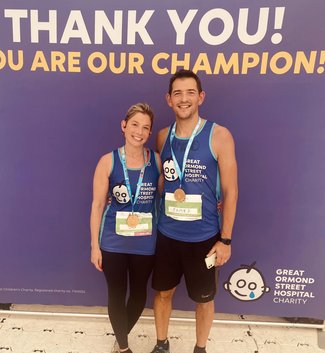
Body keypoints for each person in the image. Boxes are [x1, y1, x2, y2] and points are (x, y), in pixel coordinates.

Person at [150, 70, 238, 353]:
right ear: (168, 99)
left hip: (204, 238)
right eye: (177, 93)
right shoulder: (163, 137)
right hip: (168, 234)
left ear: (200, 97)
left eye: (190, 93)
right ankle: (162, 344)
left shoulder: (220, 135)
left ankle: (200, 348)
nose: (184, 99)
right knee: (163, 292)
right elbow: (164, 181)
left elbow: (231, 191)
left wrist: (225, 239)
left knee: (204, 299)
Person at [90, 103, 162, 353]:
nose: (139, 132)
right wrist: (94, 246)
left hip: (145, 241)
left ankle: (120, 336)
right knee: (117, 294)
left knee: (139, 296)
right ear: (123, 126)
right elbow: (98, 205)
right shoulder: (107, 162)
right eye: (134, 124)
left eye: (145, 127)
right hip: (113, 240)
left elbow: (166, 195)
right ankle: (123, 347)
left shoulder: (156, 160)